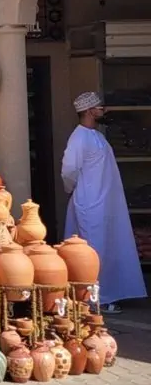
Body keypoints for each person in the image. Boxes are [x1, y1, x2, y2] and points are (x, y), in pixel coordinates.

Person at [62, 92, 146, 313]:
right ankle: (95, 299)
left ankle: (110, 294)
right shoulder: (78, 138)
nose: (103, 111)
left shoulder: (96, 136)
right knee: (94, 251)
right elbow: (69, 171)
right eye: (100, 108)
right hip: (89, 203)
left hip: (105, 203)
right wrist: (72, 192)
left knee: (109, 247)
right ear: (90, 111)